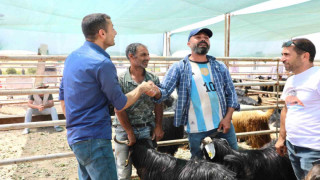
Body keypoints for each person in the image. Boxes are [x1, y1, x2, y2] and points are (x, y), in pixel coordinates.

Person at [59, 13, 156, 180]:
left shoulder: (72, 57)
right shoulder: (102, 63)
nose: (116, 32)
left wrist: (74, 125)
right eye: (113, 29)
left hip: (76, 137)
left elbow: (62, 95)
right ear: (102, 33)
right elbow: (120, 103)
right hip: (95, 138)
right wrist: (141, 88)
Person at [152, 28, 240, 159]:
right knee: (200, 166)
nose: (203, 39)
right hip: (196, 129)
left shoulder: (219, 66)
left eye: (206, 38)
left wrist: (228, 118)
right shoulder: (179, 68)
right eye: (198, 37)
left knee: (233, 159)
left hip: (222, 125)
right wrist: (155, 91)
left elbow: (231, 94)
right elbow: (164, 92)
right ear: (189, 43)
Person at [113, 43, 164, 180]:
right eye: (143, 55)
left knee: (150, 170)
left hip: (147, 129)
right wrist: (129, 132)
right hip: (124, 130)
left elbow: (159, 103)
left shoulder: (153, 78)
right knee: (124, 171)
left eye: (147, 54)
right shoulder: (120, 80)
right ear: (131, 56)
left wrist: (158, 126)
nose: (147, 58)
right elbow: (118, 108)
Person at [275, 38, 320, 180]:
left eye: (287, 54)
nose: (282, 59)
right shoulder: (291, 80)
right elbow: (286, 109)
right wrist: (281, 138)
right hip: (293, 146)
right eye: (282, 54)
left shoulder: (317, 77)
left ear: (305, 56)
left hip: (313, 149)